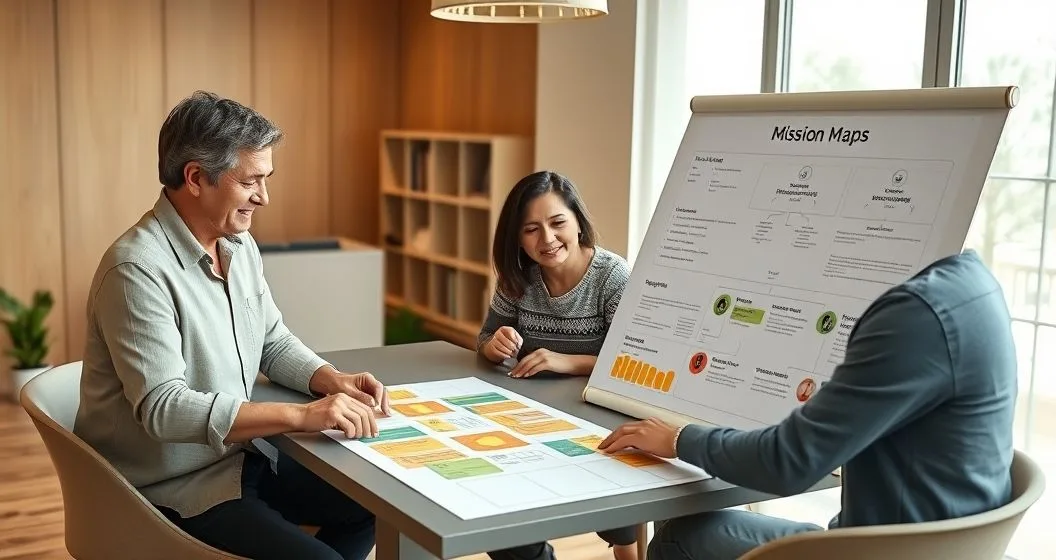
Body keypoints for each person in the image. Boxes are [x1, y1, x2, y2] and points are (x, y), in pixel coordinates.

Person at [74, 91, 390, 560]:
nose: (264, 197)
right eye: (250, 181)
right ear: (196, 178)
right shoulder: (136, 269)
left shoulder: (238, 246)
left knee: (373, 507)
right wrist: (301, 416)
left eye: (266, 180)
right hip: (170, 486)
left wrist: (331, 379)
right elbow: (164, 408)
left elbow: (272, 340)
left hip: (240, 456)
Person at [597, 249, 1017, 560]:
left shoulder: (915, 318)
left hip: (878, 551)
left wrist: (679, 439)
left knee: (678, 539)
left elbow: (789, 462)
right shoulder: (973, 286)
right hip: (926, 543)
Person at [476, 170, 638, 560]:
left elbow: (633, 363)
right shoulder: (517, 279)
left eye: (557, 222)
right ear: (517, 237)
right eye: (531, 229)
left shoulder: (613, 277)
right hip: (528, 418)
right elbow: (485, 338)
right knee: (496, 508)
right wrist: (493, 347)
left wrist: (567, 362)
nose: (547, 239)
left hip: (598, 418)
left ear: (578, 222)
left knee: (619, 513)